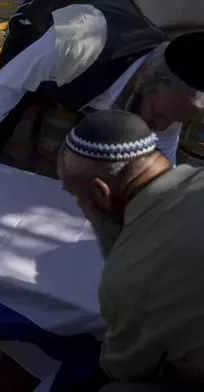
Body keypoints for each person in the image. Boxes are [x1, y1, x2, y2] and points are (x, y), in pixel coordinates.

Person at [58, 110, 204, 392]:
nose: (79, 206)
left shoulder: (132, 276)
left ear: (101, 191)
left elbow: (126, 368)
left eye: (76, 196)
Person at [0, 0, 204, 167]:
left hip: (91, 74)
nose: (161, 126)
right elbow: (9, 82)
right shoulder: (76, 44)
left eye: (174, 120)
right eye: (158, 113)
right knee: (7, 116)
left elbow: (163, 150)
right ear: (142, 75)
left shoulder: (169, 97)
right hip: (38, 32)